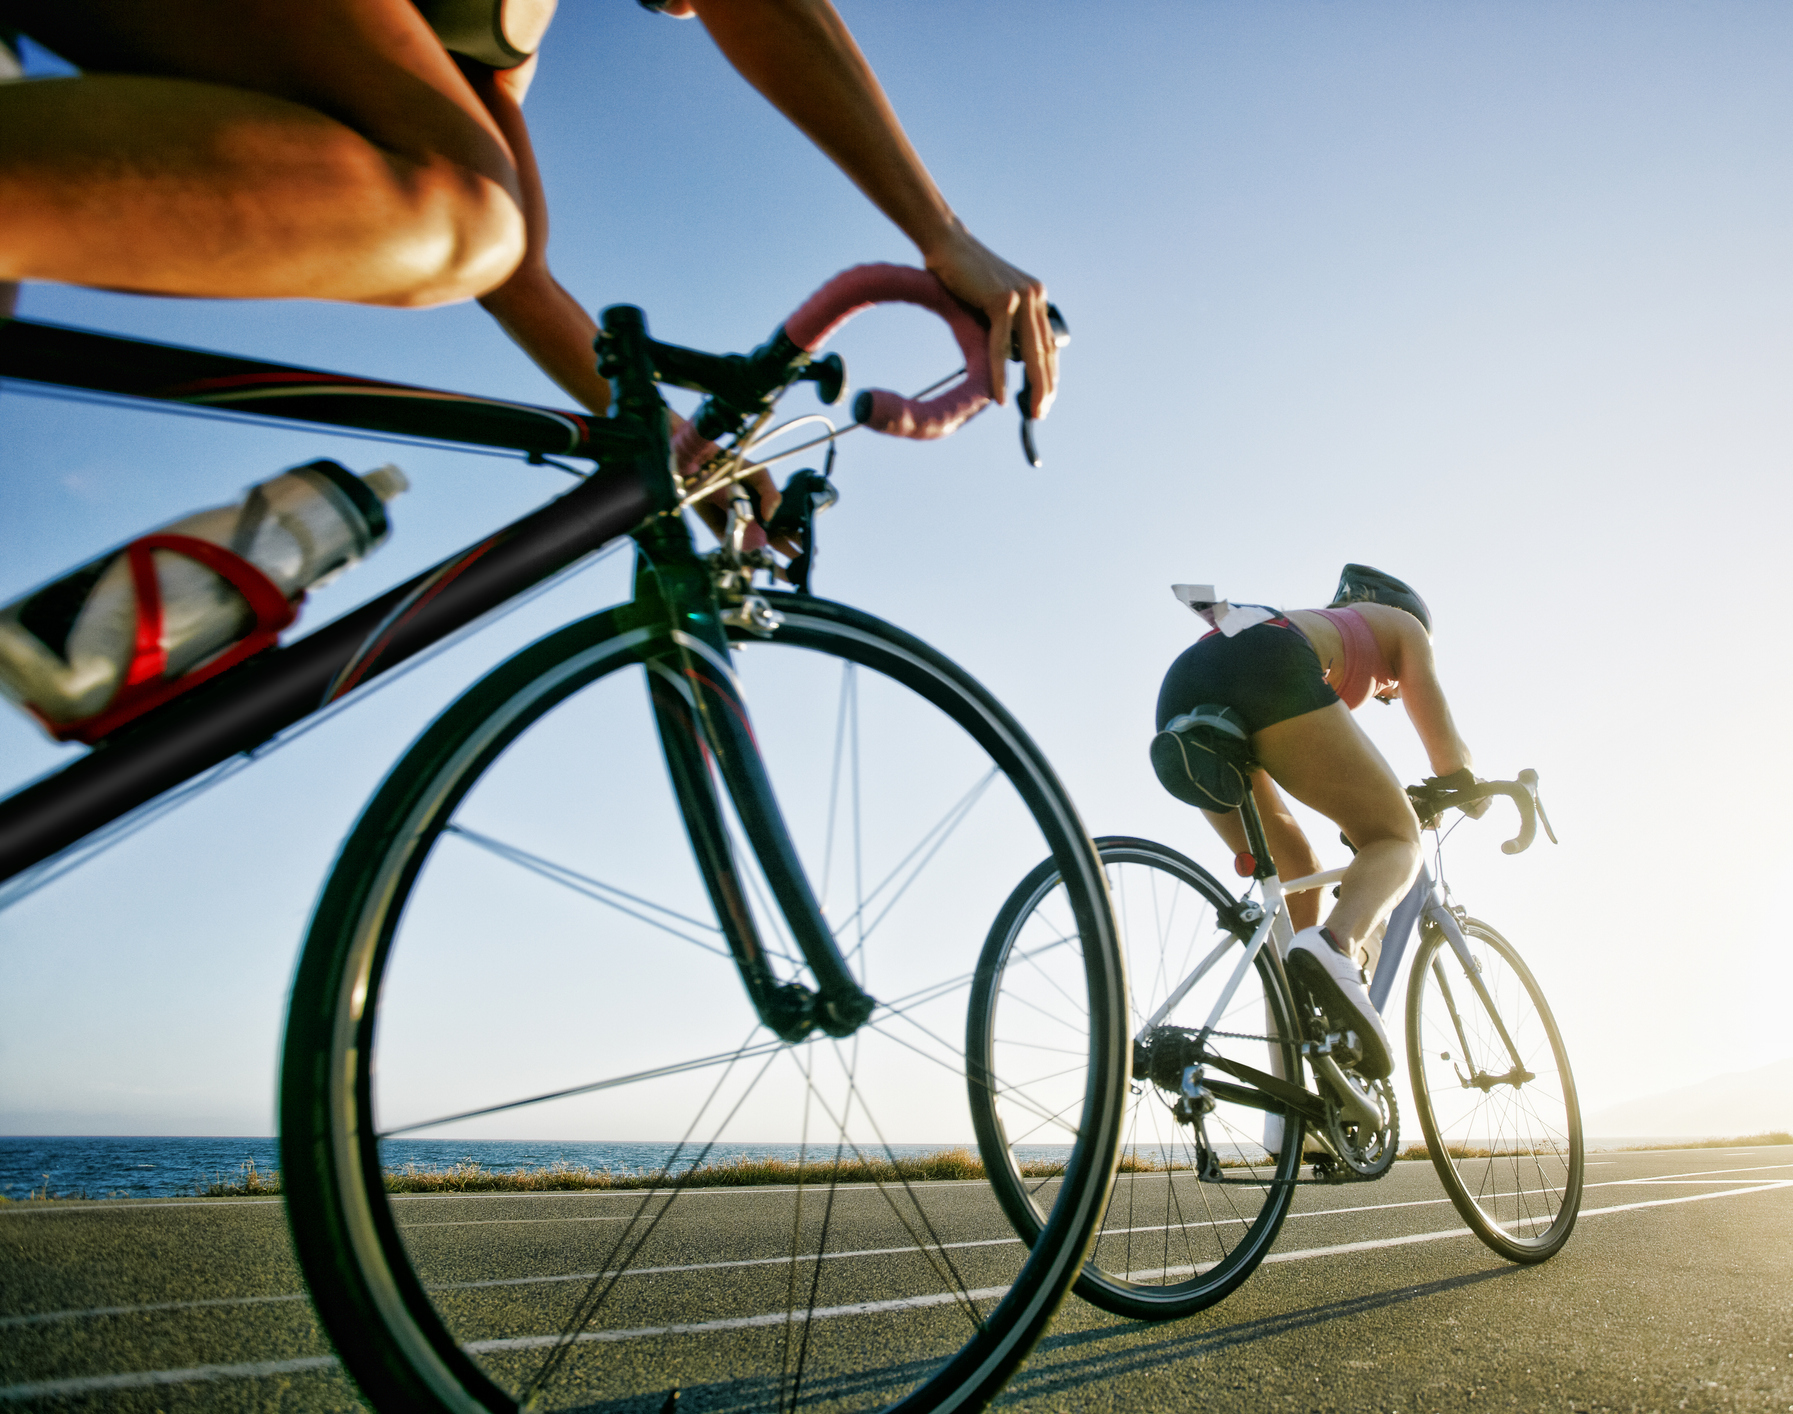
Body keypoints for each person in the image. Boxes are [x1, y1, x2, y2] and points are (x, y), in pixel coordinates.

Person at [0, 0, 1058, 531]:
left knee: (473, 212)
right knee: (461, 203)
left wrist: (692, 456)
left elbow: (512, 269)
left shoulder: (502, 25)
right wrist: (939, 231)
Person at [1153, 564, 1481, 1083]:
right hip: (1267, 664)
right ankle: (1336, 945)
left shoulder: (1319, 625)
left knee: (1295, 875)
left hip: (1184, 685)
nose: (1387, 693)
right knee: (1396, 838)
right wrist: (1467, 783)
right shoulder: (1403, 628)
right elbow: (1444, 746)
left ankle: (1305, 1066)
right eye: (1389, 692)